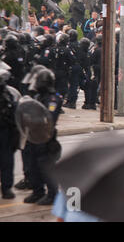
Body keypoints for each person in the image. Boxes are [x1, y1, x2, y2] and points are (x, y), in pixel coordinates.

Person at [24, 68, 63, 205]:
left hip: (45, 137)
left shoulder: (53, 99)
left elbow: (49, 117)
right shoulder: (38, 96)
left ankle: (52, 194)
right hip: (33, 135)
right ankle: (37, 191)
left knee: (45, 167)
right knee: (32, 165)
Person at [0, 69, 20, 200]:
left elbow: (16, 112)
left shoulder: (9, 93)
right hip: (5, 131)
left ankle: (7, 188)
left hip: (5, 131)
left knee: (7, 161)